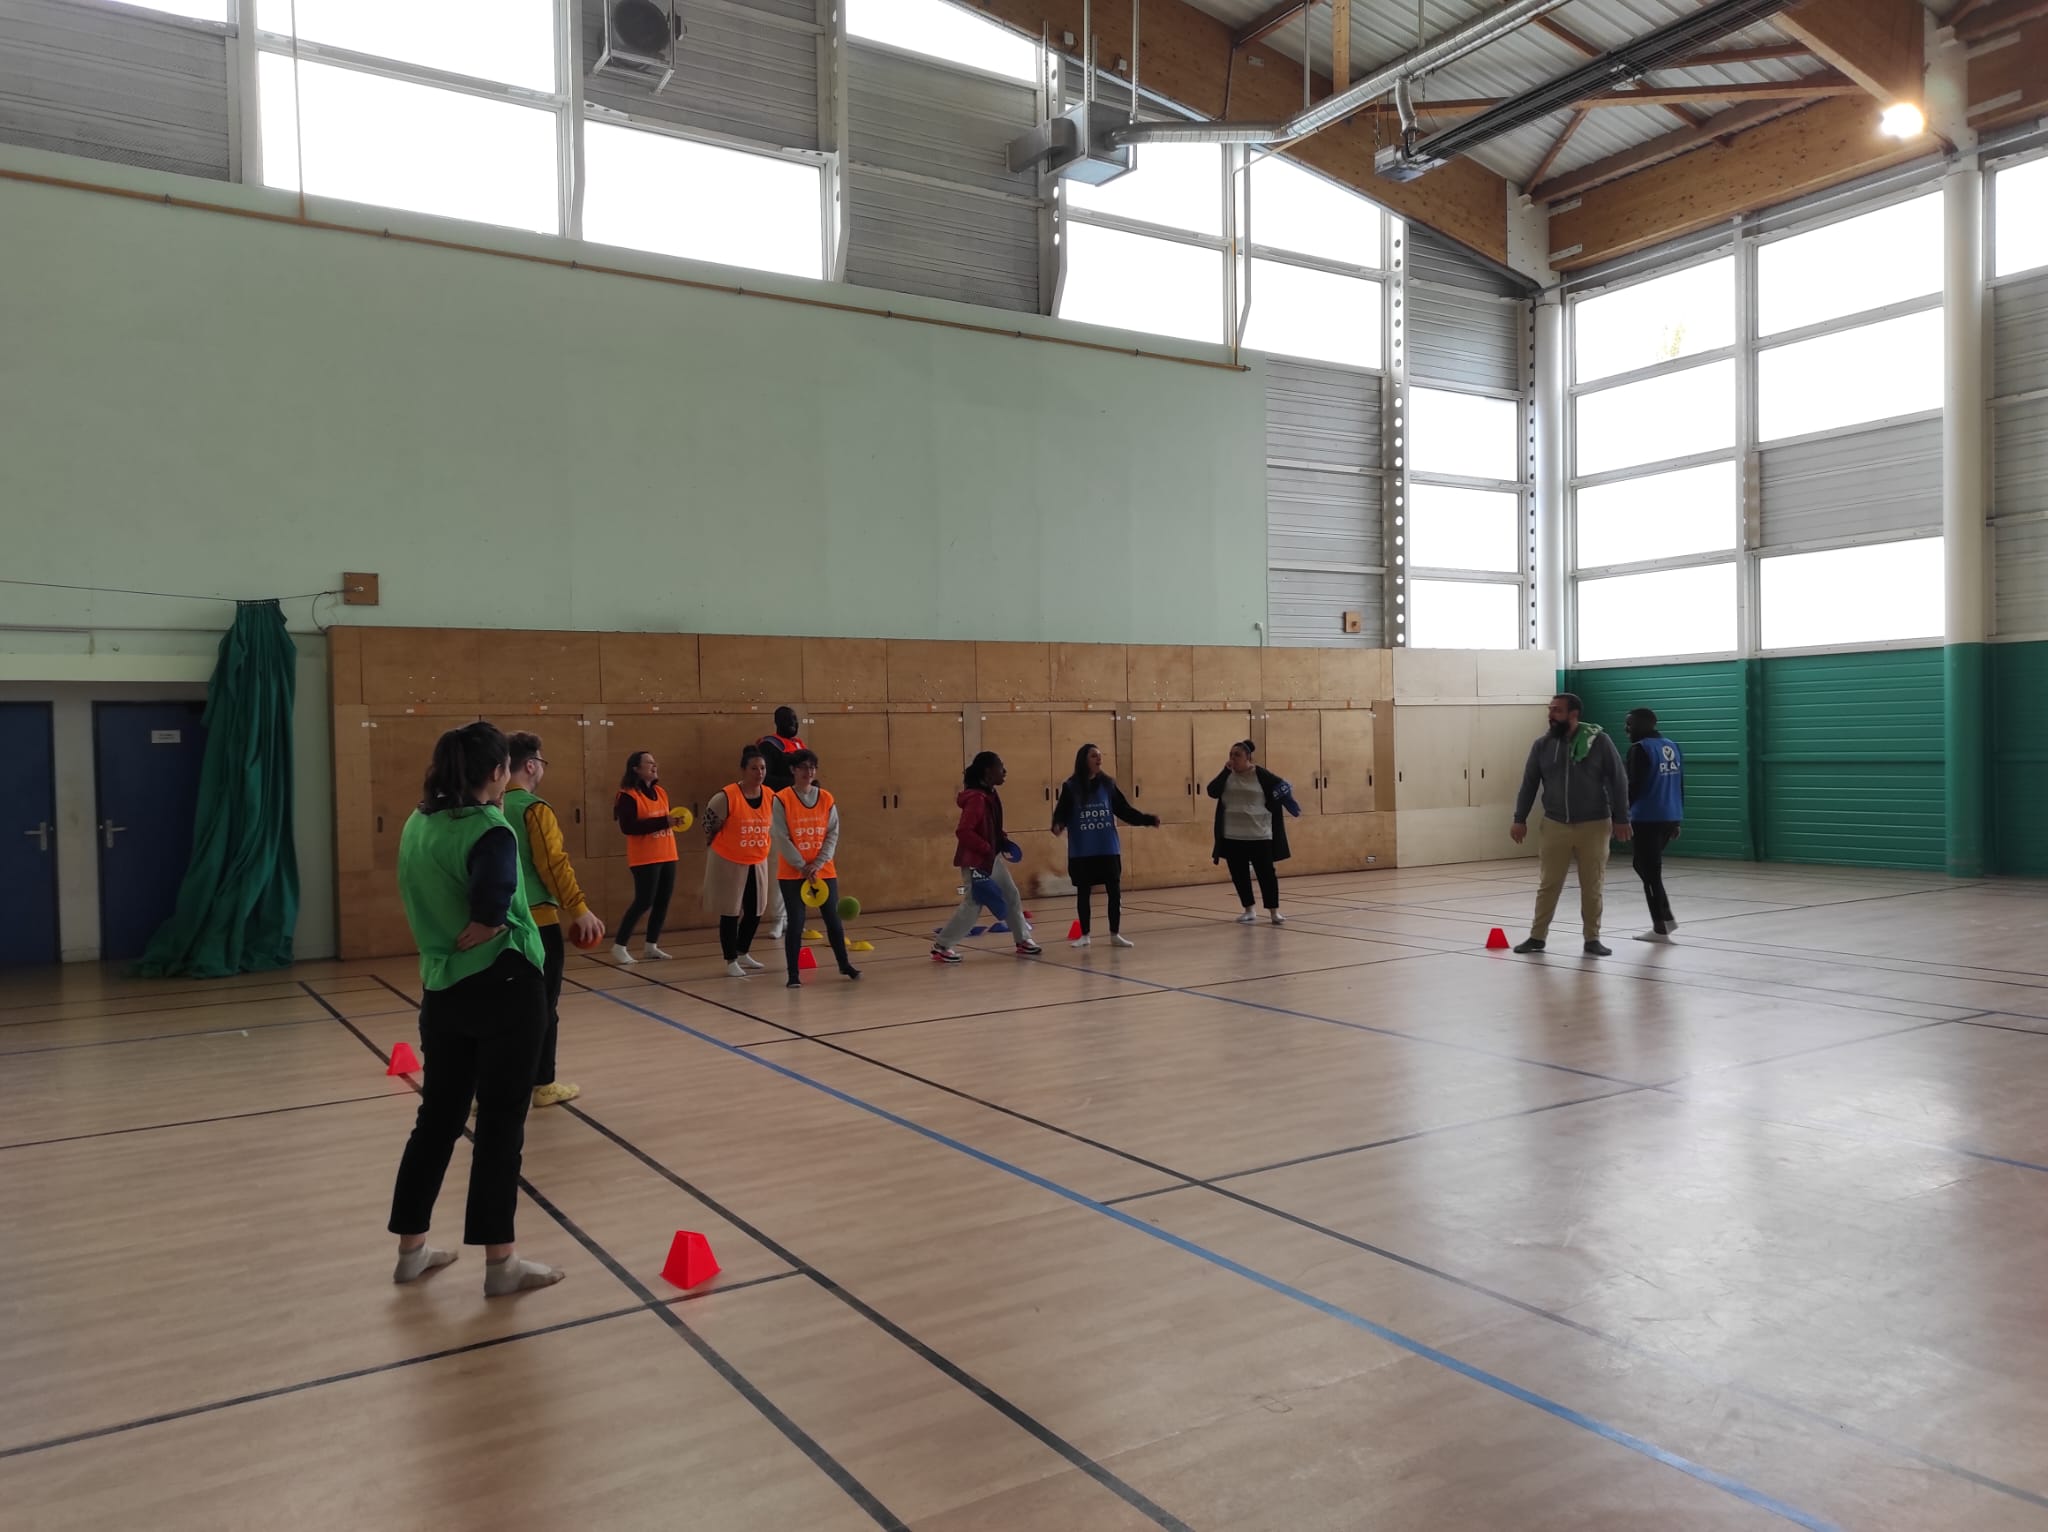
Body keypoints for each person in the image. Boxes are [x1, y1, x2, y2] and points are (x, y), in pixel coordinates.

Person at [386, 721, 563, 1297]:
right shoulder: (491, 827)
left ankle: (411, 1250)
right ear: (497, 773)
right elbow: (491, 903)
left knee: (436, 1119)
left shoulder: (418, 822)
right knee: (500, 1125)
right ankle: (501, 1263)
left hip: (442, 990)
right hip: (503, 985)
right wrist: (488, 924)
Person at [502, 734, 604, 1108]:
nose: (542, 768)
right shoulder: (533, 809)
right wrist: (579, 908)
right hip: (537, 924)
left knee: (501, 1011)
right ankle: (541, 1084)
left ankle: (490, 1088)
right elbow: (553, 864)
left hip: (499, 923)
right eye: (541, 762)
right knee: (542, 1007)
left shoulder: (490, 806)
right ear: (530, 765)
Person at [1509, 693, 1633, 958]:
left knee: (1592, 884)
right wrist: (1519, 818)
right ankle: (1537, 937)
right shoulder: (1542, 745)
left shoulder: (1599, 742)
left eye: (1557, 710)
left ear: (1574, 714)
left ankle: (1593, 939)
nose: (1551, 715)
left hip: (1595, 824)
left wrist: (1622, 817)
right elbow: (1529, 783)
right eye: (1550, 710)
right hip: (1555, 824)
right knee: (1549, 884)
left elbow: (1618, 779)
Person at [932, 751, 1040, 962]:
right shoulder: (976, 799)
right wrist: (985, 847)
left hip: (992, 858)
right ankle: (942, 946)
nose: (1005, 771)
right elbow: (963, 831)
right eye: (1001, 767)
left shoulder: (990, 794)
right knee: (973, 904)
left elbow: (990, 826)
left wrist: (1001, 839)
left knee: (1011, 895)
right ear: (988, 771)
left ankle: (1023, 941)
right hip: (976, 861)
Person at [1050, 742, 1159, 948]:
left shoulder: (1108, 785)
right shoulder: (1070, 787)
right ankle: (1085, 935)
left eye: (1100, 756)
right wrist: (1057, 825)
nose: (1099, 759)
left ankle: (1114, 934)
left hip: (1107, 848)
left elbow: (1124, 810)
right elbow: (1061, 813)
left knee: (1114, 891)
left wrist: (1147, 819)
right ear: (1083, 760)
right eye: (1093, 756)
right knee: (1083, 892)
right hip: (1082, 850)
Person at [772, 748, 861, 987]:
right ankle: (793, 974)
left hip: (823, 871)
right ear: (793, 770)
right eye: (803, 767)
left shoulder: (826, 798)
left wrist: (818, 864)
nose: (808, 772)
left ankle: (844, 964)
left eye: (812, 767)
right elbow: (781, 836)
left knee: (833, 920)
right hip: (793, 873)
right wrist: (803, 866)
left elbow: (832, 833)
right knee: (797, 921)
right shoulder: (781, 799)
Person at [701, 744, 775, 978]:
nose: (759, 772)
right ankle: (730, 959)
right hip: (729, 859)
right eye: (754, 768)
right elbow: (708, 824)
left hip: (757, 859)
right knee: (730, 911)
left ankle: (743, 951)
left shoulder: (771, 796)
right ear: (743, 770)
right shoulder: (725, 797)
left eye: (762, 768)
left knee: (755, 910)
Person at [1207, 739, 1298, 925]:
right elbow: (1212, 791)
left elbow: (1282, 787)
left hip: (1259, 834)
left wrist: (1285, 801)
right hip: (1233, 834)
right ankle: (1248, 909)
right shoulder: (1227, 776)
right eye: (1230, 755)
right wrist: (1225, 771)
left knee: (1266, 874)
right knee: (1239, 874)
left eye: (1237, 755)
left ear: (1248, 757)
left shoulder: (1261, 774)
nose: (1233, 758)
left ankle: (1274, 911)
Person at [612, 750, 678, 965]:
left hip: (667, 853)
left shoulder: (661, 792)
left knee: (662, 901)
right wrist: (663, 822)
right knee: (643, 902)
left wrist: (673, 822)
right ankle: (619, 945)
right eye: (649, 763)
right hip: (645, 858)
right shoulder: (627, 795)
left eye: (654, 762)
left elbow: (663, 820)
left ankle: (651, 945)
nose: (654, 765)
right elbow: (628, 827)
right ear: (636, 768)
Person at [1624, 707, 1684, 943]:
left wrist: (1620, 815)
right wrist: (1677, 818)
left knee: (1648, 870)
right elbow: (1680, 782)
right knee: (1646, 867)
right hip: (1669, 814)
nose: (1626, 729)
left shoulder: (1639, 749)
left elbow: (1633, 786)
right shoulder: (1672, 745)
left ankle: (1661, 927)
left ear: (1645, 724)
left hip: (1647, 817)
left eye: (1630, 724)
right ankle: (1666, 918)